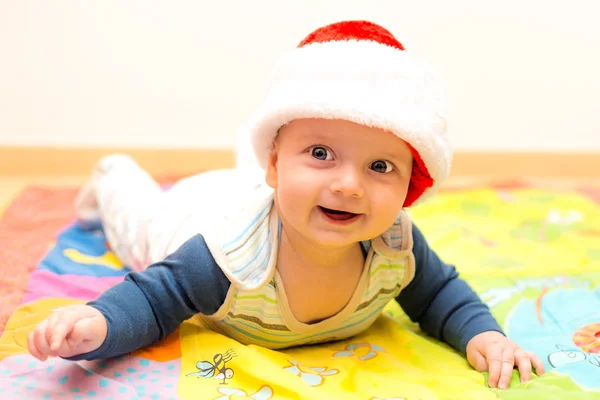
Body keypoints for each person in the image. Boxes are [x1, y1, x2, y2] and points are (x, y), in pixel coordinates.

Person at [26, 20, 544, 390]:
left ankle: (265, 166)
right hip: (192, 216)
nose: (349, 185)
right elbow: (155, 299)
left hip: (262, 191)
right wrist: (98, 324)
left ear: (410, 186)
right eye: (321, 153)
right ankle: (115, 174)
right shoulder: (225, 256)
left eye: (380, 167)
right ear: (274, 165)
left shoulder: (397, 244)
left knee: (275, 185)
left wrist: (485, 334)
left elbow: (440, 296)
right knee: (135, 219)